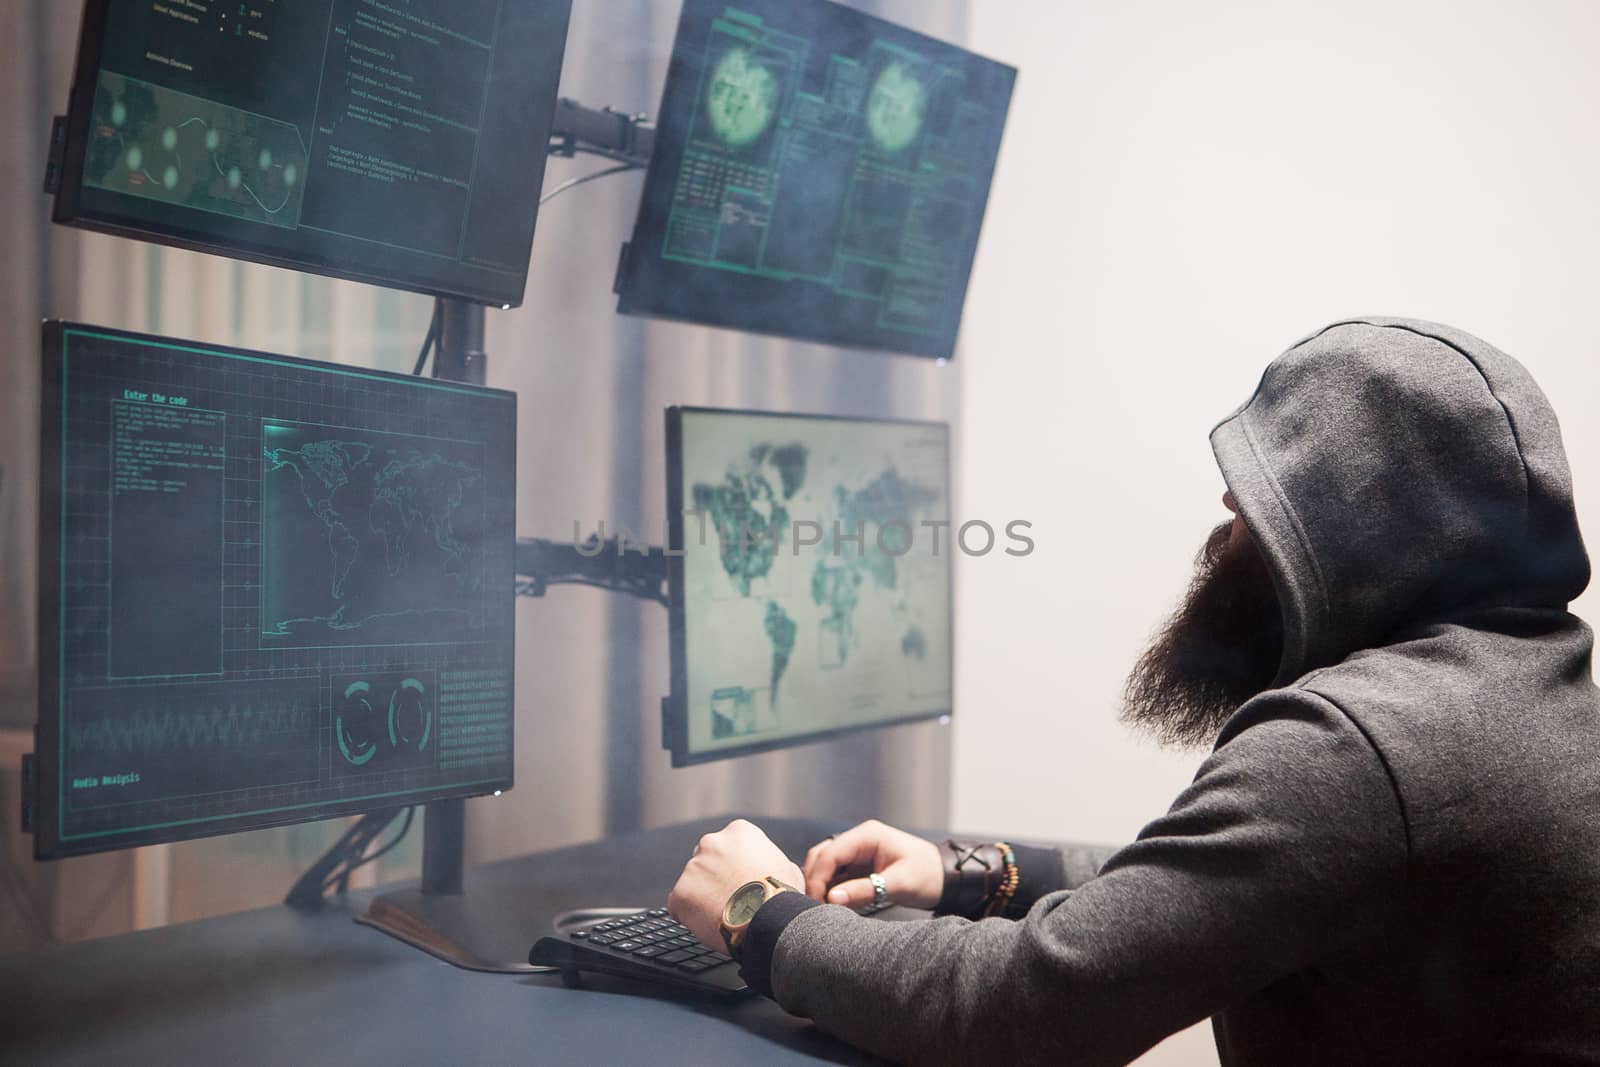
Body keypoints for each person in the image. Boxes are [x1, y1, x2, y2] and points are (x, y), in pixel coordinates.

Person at [668, 317, 1600, 1066]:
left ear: (1347, 536)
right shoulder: (1529, 695)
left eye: (1248, 513)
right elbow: (1218, 883)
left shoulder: (1361, 746)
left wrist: (759, 912)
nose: (1223, 538)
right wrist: (971, 872)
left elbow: (1025, 1012)